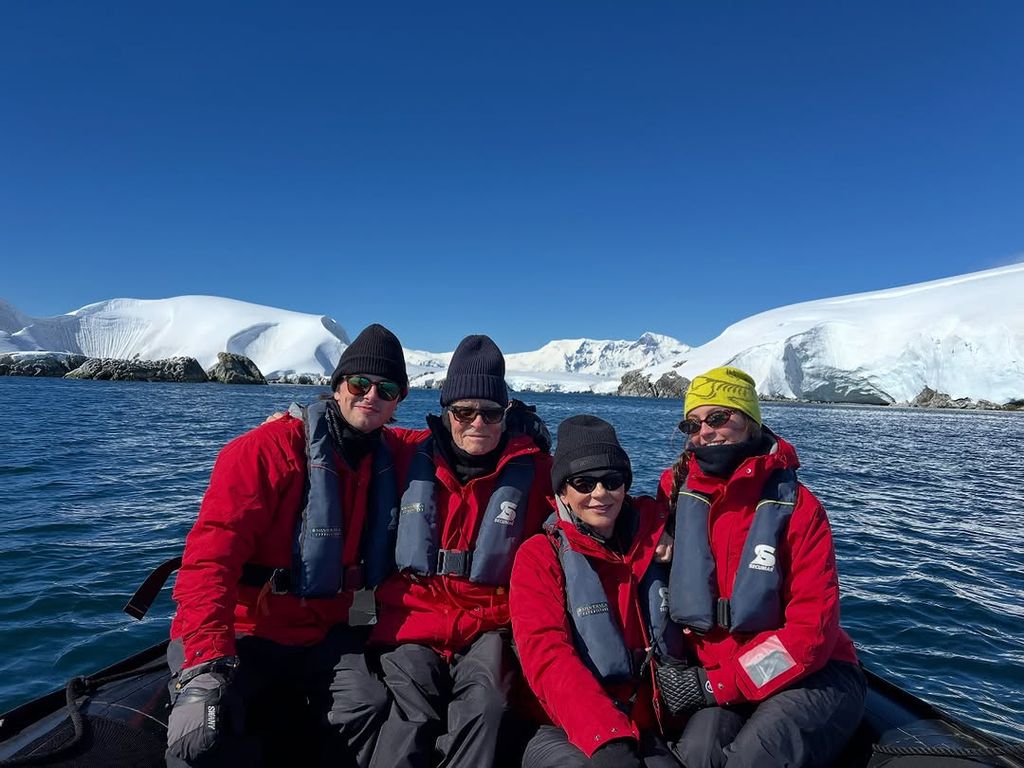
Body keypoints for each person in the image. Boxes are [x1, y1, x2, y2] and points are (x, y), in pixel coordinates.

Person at [166, 324, 420, 768]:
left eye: (387, 388)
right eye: (360, 383)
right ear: (337, 385)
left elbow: (461, 440)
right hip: (248, 631)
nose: (371, 396)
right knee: (205, 735)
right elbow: (210, 561)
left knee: (369, 705)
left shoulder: (388, 451)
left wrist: (514, 422)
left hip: (324, 633)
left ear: (398, 401)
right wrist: (206, 663)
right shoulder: (263, 450)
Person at [659, 366, 866, 768]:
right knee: (696, 755)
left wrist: (718, 683)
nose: (705, 432)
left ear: (751, 421)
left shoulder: (799, 509)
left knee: (754, 758)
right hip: (720, 674)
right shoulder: (673, 493)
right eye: (693, 423)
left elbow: (812, 632)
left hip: (811, 674)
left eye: (718, 418)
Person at [367, 334, 554, 768]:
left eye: (489, 413)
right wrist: (295, 421)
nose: (477, 424)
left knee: (489, 707)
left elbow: (596, 494)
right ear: (446, 412)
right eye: (463, 412)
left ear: (506, 414)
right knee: (407, 713)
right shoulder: (406, 452)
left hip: (490, 622)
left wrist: (657, 530)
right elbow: (348, 431)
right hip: (412, 618)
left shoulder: (538, 469)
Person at [510, 415, 688, 768]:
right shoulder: (538, 557)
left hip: (650, 722)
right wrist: (605, 736)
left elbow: (703, 475)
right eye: (583, 483)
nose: (601, 494)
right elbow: (547, 655)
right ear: (562, 490)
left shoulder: (655, 538)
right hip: (564, 727)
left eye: (612, 480)